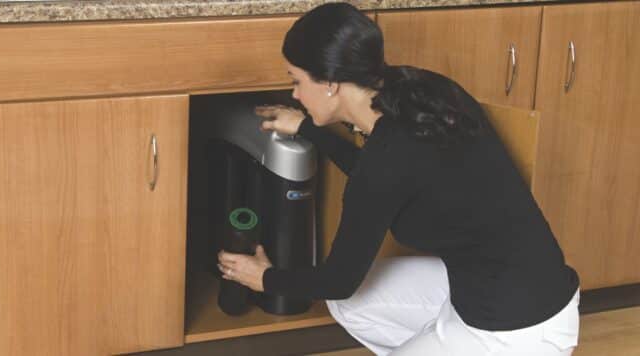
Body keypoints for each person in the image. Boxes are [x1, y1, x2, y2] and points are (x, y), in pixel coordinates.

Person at [216, 3, 580, 355]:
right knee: (354, 306)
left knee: (344, 294)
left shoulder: (385, 162)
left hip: (515, 331)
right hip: (511, 286)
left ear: (330, 83)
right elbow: (387, 175)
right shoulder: (425, 90)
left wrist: (263, 277)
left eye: (296, 81)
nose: (294, 93)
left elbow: (338, 280)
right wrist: (309, 127)